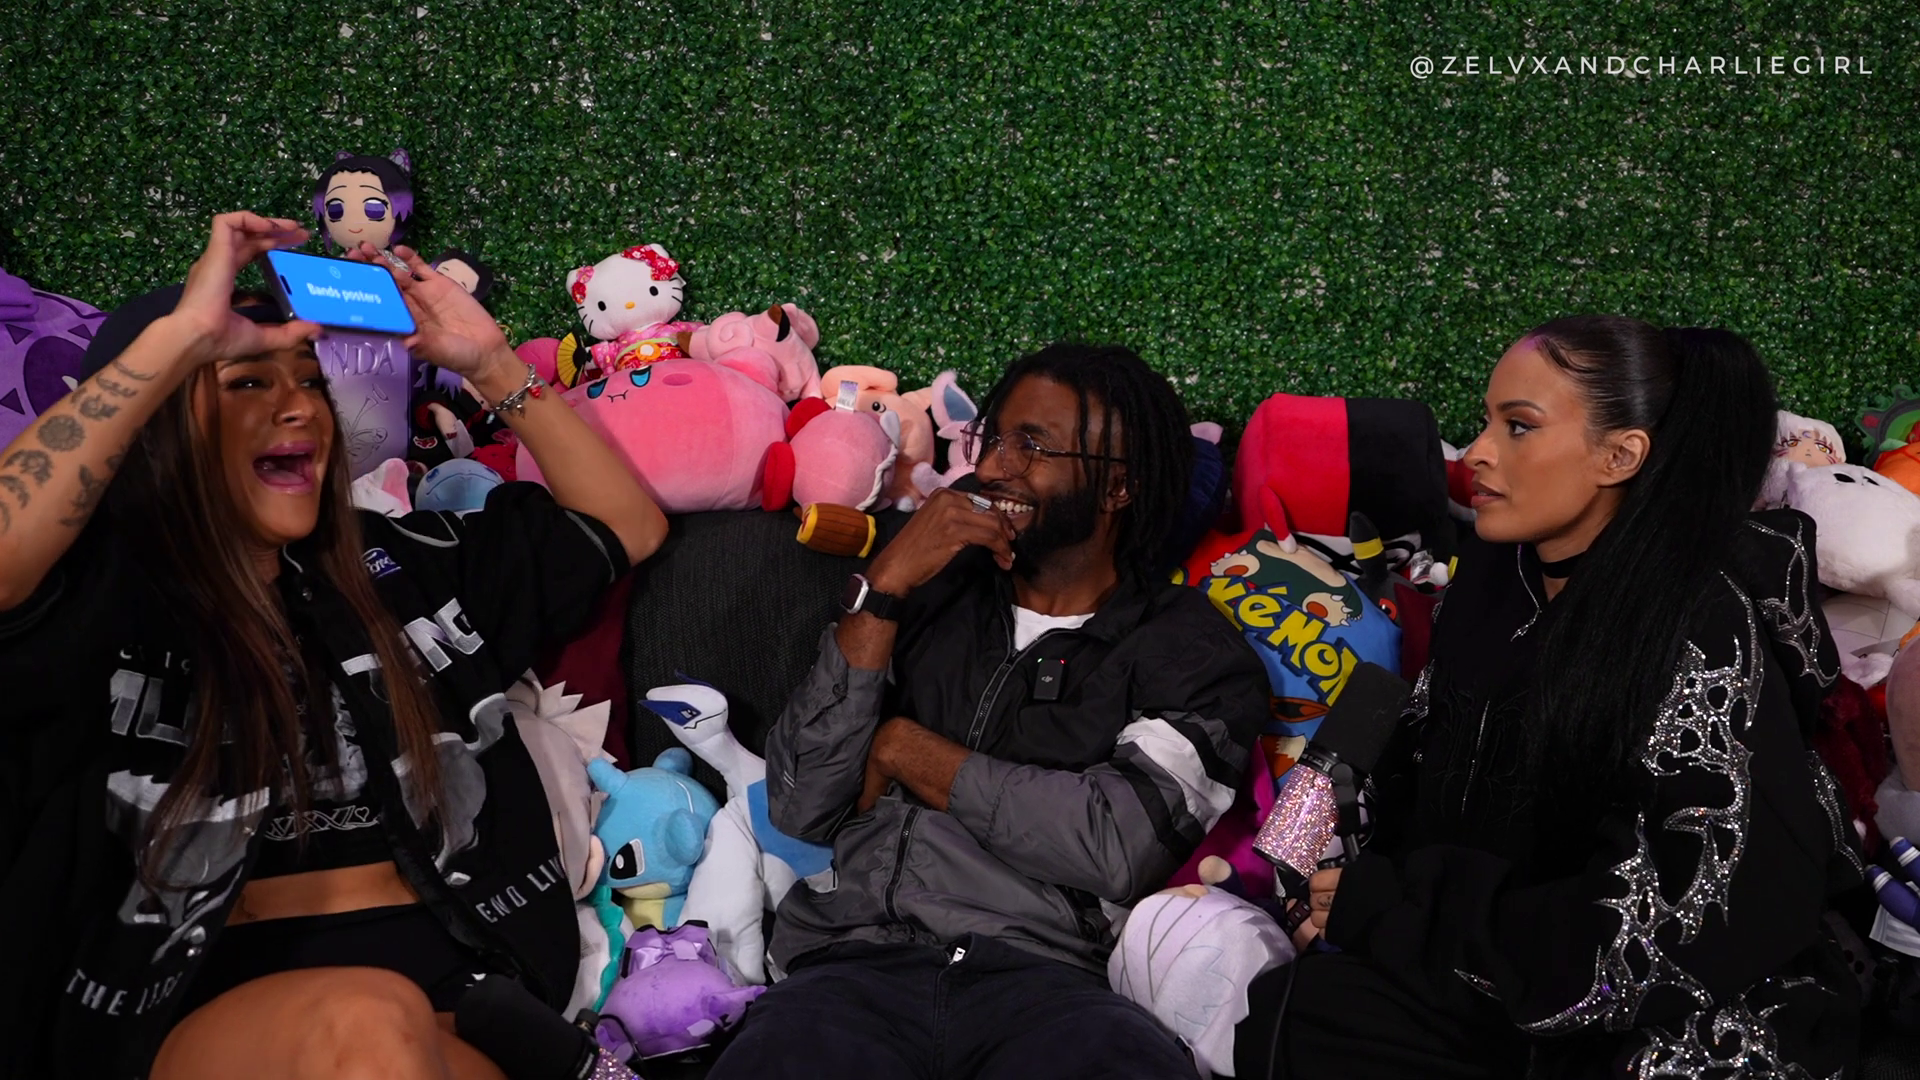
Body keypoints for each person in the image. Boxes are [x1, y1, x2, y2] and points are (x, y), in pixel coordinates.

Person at [0, 213, 667, 1080]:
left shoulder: (403, 568)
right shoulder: (101, 598)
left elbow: (626, 526)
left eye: (310, 381)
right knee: (368, 1016)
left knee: (397, 1028)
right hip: (187, 1006)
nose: (297, 406)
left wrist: (490, 363)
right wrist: (179, 340)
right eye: (246, 381)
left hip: (454, 993)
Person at [1234, 317, 1863, 1078]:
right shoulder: (1492, 577)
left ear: (1620, 455)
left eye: (1519, 426)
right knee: (1290, 1013)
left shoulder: (1699, 625)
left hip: (1665, 1006)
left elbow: (1692, 914)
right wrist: (1308, 874)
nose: (1475, 454)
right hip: (1491, 971)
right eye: (1485, 422)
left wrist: (1402, 915)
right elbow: (1402, 742)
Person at [705, 344, 1270, 1079]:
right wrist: (884, 587)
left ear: (1117, 486)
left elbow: (1113, 844)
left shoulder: (1191, 650)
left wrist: (903, 748)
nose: (996, 467)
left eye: (1032, 445)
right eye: (994, 438)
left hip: (1051, 983)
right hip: (852, 963)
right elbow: (800, 802)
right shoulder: (927, 591)